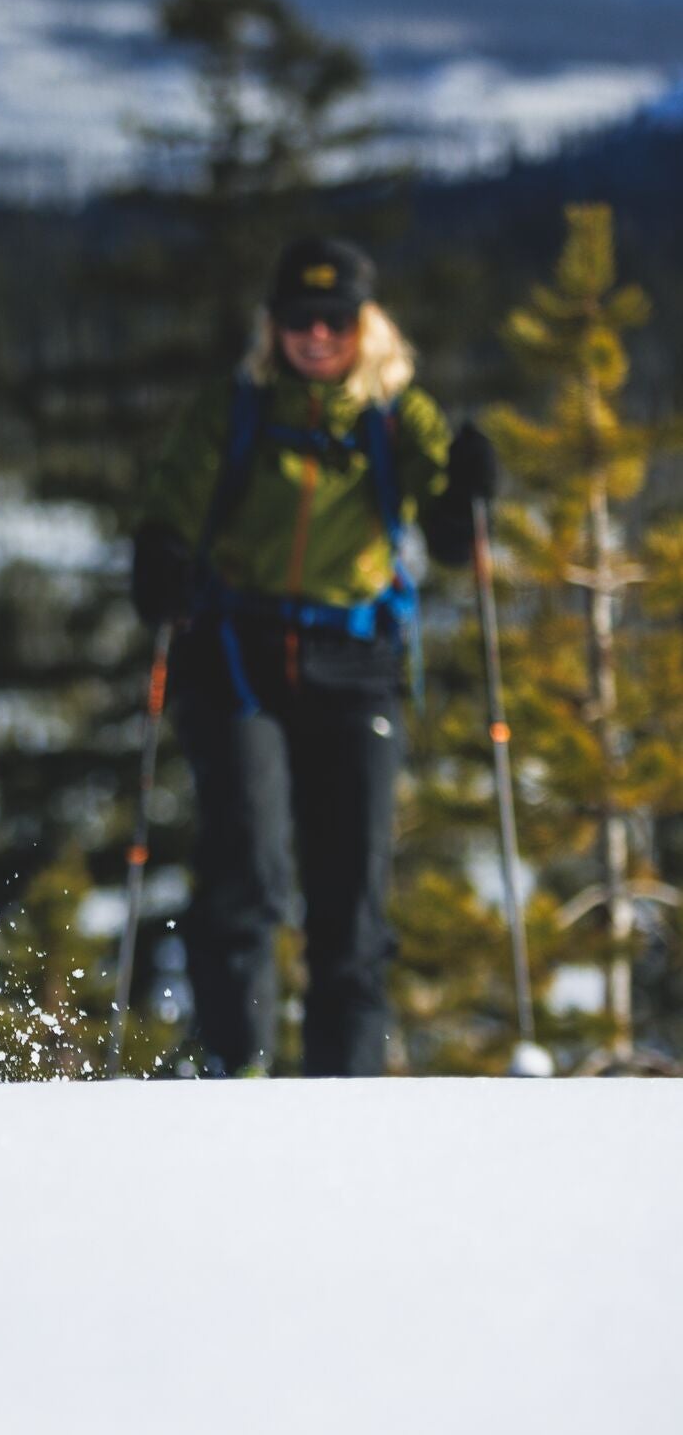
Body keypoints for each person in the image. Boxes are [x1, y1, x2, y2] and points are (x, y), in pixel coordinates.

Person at [132, 234, 495, 1077]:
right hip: (236, 655)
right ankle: (238, 1072)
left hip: (354, 659)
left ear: (365, 325)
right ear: (274, 324)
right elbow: (171, 505)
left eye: (335, 319)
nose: (317, 336)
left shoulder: (397, 413)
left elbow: (449, 527)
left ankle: (349, 1095)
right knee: (245, 875)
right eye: (301, 318)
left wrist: (469, 495)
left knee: (352, 895)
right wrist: (161, 559)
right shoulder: (235, 407)